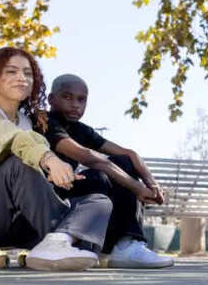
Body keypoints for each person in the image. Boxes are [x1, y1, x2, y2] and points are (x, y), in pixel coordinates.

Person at [0, 48, 112, 271]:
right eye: (11, 71)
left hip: (19, 223)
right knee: (17, 164)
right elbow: (16, 139)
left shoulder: (27, 121)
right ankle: (64, 241)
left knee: (98, 200)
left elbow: (33, 161)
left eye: (27, 73)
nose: (21, 78)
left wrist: (61, 177)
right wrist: (49, 159)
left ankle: (58, 242)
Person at [44, 74, 174, 268]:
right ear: (51, 99)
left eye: (81, 99)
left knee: (123, 162)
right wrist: (137, 187)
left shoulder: (80, 129)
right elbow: (88, 157)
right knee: (100, 177)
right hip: (49, 194)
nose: (75, 105)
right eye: (67, 97)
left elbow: (130, 154)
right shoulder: (44, 121)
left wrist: (151, 183)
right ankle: (117, 247)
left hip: (72, 190)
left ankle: (125, 245)